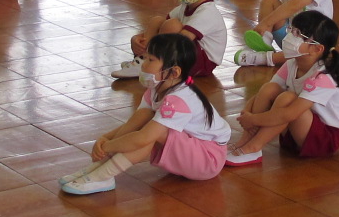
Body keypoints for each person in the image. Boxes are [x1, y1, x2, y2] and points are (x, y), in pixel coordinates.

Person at [60, 32, 229, 195]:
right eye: (145, 58)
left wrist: (106, 147)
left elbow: (143, 138)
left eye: (151, 60)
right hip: (193, 149)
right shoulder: (156, 89)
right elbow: (134, 123)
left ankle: (103, 176)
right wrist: (106, 138)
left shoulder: (179, 99)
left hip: (208, 160)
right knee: (149, 125)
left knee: (151, 134)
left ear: (174, 72)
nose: (144, 64)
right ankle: (93, 172)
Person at [226, 10, 339, 166]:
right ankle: (245, 141)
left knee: (287, 98)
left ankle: (254, 147)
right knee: (269, 89)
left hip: (325, 138)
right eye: (292, 30)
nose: (291, 36)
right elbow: (263, 95)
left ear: (317, 49)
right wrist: (247, 113)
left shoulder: (324, 76)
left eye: (299, 35)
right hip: (297, 130)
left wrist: (253, 119)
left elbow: (291, 113)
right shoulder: (292, 63)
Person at [113, 0, 227, 81]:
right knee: (157, 20)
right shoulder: (184, 7)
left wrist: (155, 50)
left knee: (172, 25)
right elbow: (159, 28)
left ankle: (152, 64)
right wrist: (137, 39)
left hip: (203, 63)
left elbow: (183, 39)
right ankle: (144, 60)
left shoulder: (208, 12)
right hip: (189, 52)